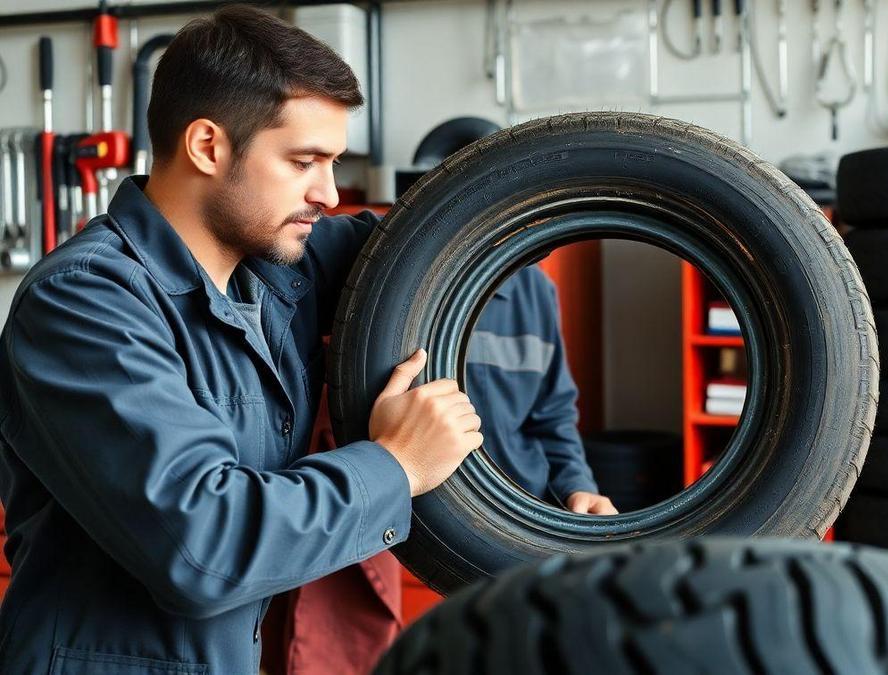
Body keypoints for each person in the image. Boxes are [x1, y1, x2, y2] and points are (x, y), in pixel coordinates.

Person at [0, 6, 479, 673]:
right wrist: (396, 465)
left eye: (332, 161)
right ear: (207, 146)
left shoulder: (280, 265)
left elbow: (448, 233)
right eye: (304, 161)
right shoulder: (83, 302)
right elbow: (204, 546)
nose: (327, 192)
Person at [467, 266, 617, 515]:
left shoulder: (534, 288)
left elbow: (553, 415)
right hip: (423, 517)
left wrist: (577, 486)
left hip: (525, 507)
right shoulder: (400, 285)